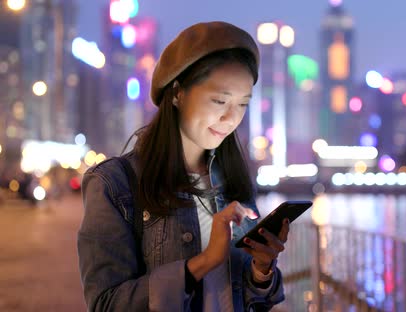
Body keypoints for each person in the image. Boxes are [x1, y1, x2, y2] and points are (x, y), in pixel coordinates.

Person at [77, 21, 287, 311]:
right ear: (177, 93)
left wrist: (262, 270)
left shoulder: (232, 182)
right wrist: (203, 263)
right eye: (220, 100)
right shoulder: (115, 184)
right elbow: (105, 303)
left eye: (242, 104)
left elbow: (253, 300)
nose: (231, 118)